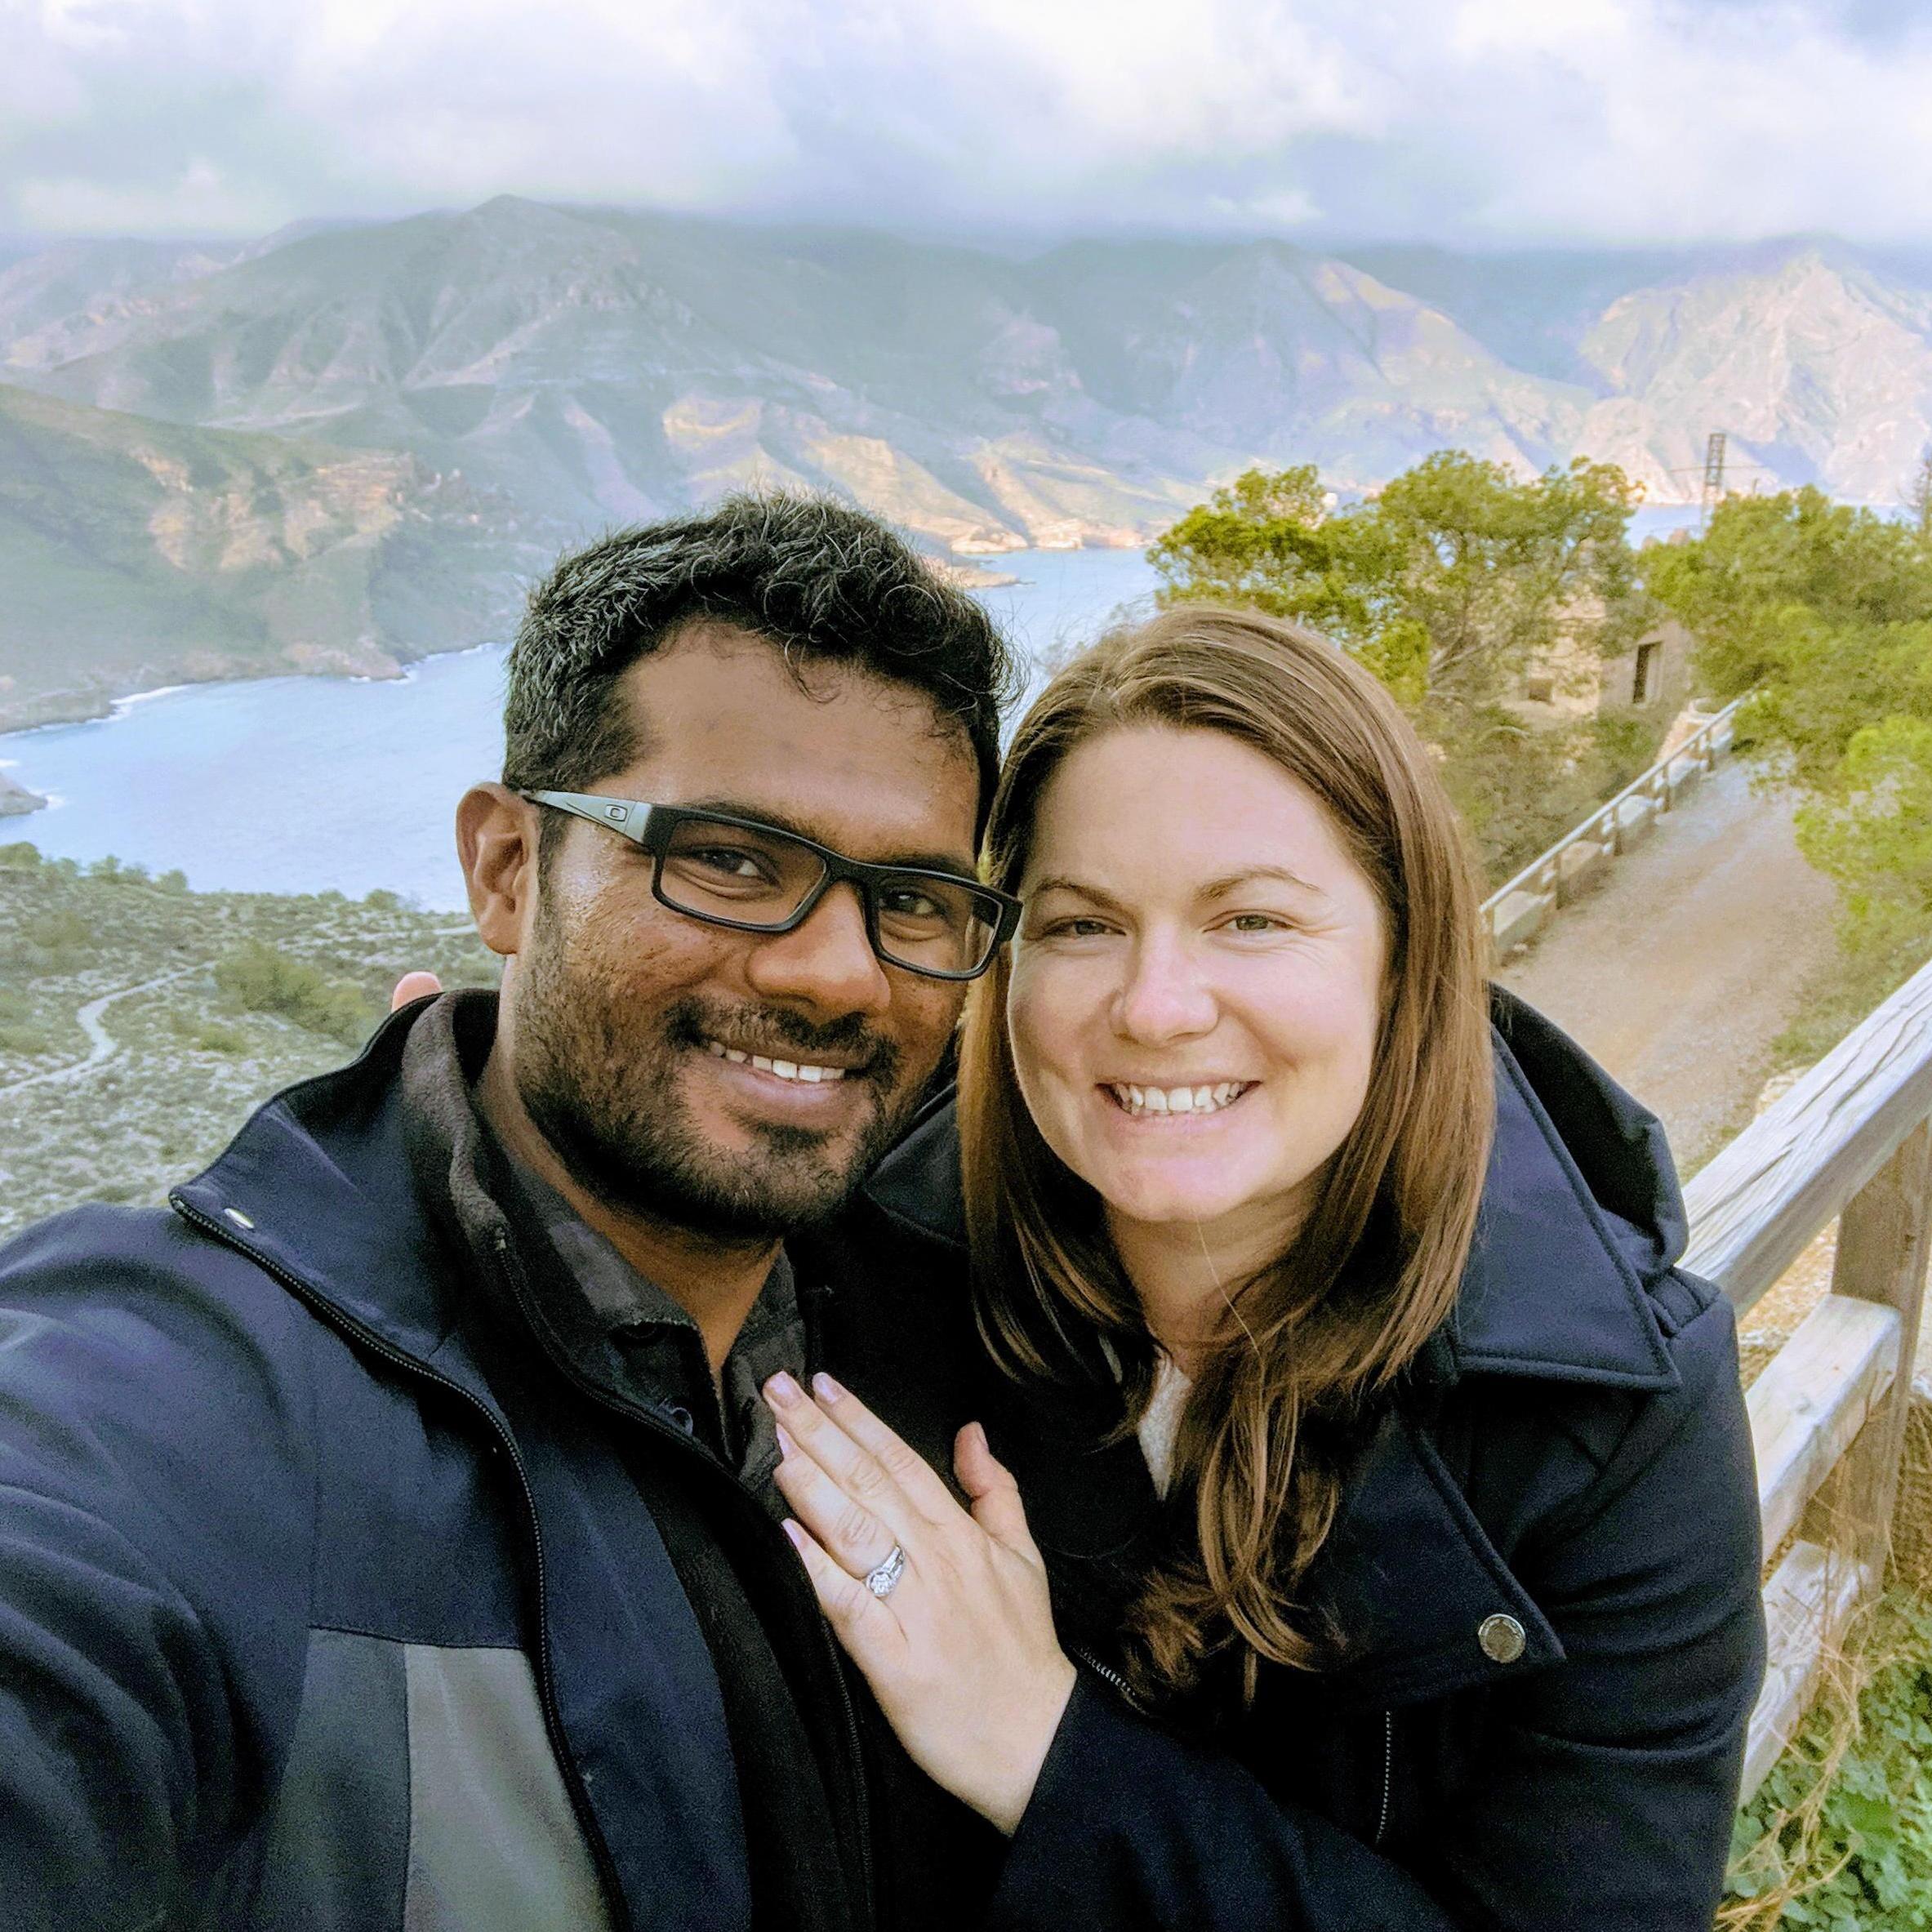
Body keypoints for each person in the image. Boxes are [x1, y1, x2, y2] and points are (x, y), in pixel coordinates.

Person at [0, 494, 1026, 1931]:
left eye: (909, 897)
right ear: (506, 868)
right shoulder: (186, 1404)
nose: (837, 976)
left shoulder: (966, 1333)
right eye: (728, 858)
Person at [761, 605, 1768, 1930]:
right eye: (1079, 925)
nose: (1157, 1005)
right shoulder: (850, 1250)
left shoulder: (1606, 1414)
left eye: (1248, 919)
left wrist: (1043, 1748)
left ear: (1402, 961)